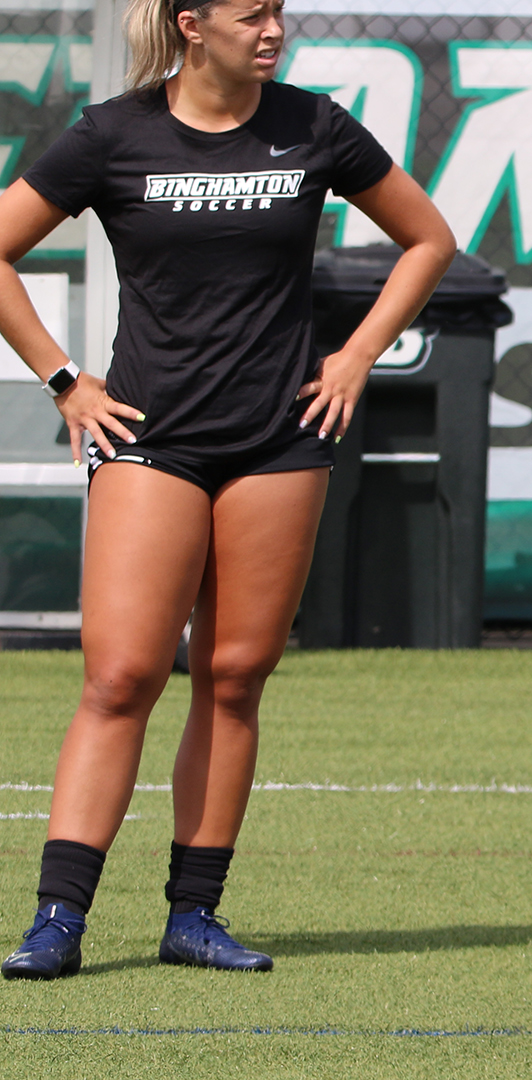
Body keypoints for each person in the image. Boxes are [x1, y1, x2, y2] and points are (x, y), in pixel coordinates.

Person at [0, 0, 454, 978]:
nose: (273, 30)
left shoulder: (315, 125)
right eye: (253, 15)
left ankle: (193, 915)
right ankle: (57, 920)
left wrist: (357, 356)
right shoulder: (115, 134)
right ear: (191, 24)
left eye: (279, 12)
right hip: (150, 439)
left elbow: (429, 239)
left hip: (278, 443)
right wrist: (66, 381)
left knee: (235, 678)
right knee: (119, 677)